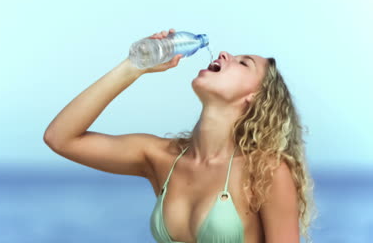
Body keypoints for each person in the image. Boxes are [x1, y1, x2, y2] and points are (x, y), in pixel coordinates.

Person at [43, 29, 317, 243]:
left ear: (253, 98)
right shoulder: (161, 158)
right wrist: (134, 67)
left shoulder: (266, 170)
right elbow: (60, 138)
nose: (224, 54)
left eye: (243, 63)